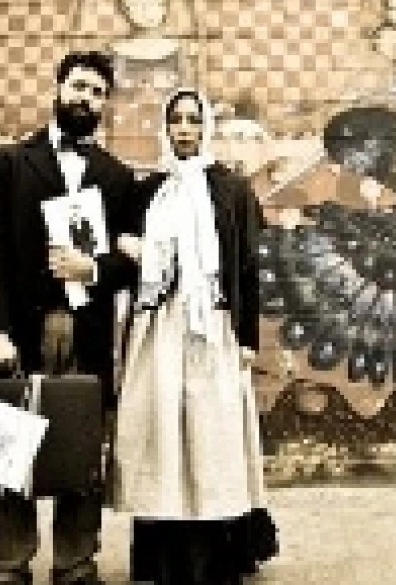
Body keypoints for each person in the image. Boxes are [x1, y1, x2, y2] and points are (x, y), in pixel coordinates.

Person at [0, 50, 142, 584]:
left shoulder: (117, 177)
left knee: (80, 445)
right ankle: (8, 561)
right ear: (59, 89)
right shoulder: (9, 162)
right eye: (79, 86)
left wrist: (94, 268)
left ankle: (76, 562)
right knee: (8, 442)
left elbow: (135, 262)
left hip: (86, 329)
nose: (86, 98)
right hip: (19, 328)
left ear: (106, 104)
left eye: (97, 92)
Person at [114, 88, 278, 584]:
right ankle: (164, 558)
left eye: (193, 120)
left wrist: (247, 337)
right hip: (160, 329)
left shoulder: (231, 190)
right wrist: (130, 250)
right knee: (164, 434)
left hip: (213, 327)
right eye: (176, 120)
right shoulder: (148, 191)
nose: (184, 129)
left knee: (213, 436)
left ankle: (221, 556)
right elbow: (125, 258)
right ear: (165, 128)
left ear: (206, 127)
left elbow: (249, 266)